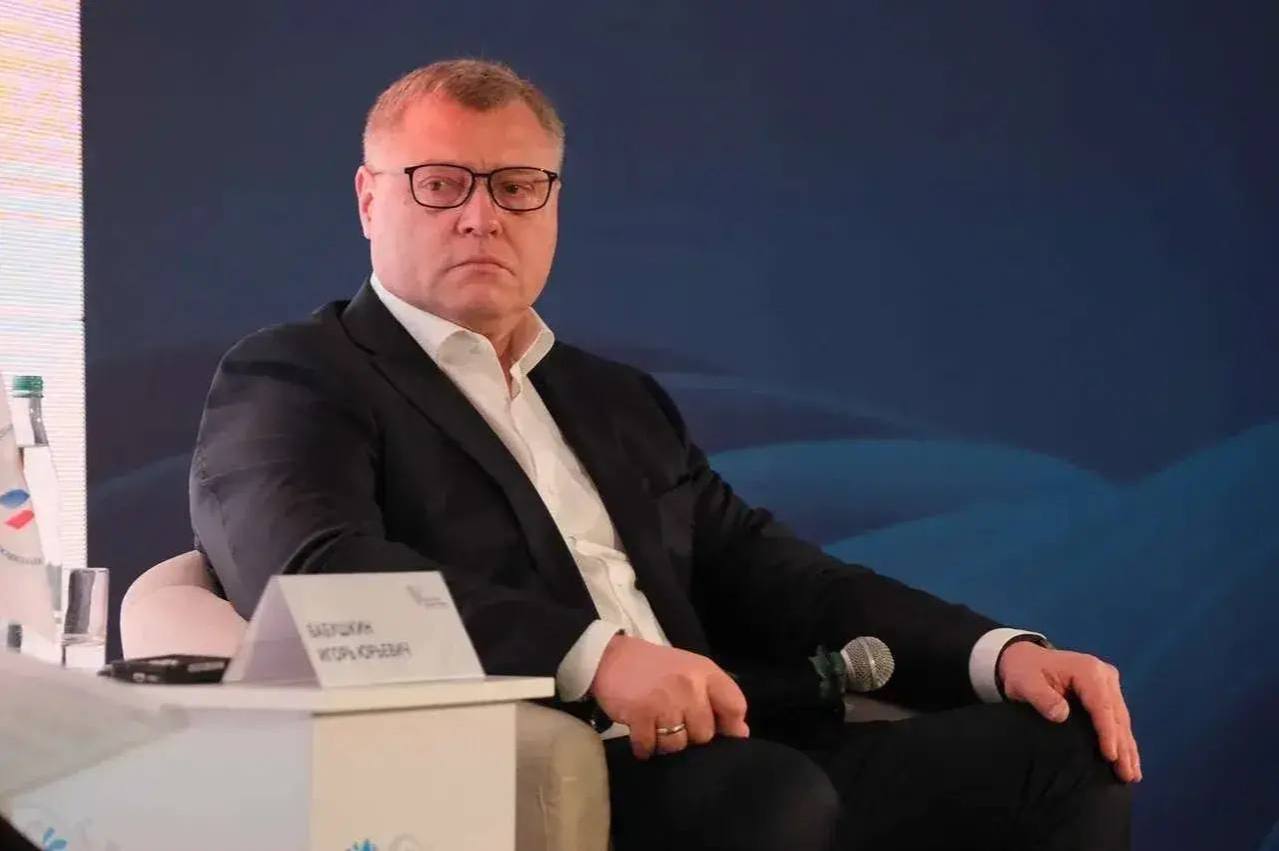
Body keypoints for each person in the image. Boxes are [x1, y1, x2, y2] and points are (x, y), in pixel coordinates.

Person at [190, 59, 1138, 850]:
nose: (481, 217)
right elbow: (313, 574)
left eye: (516, 186)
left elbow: (775, 574)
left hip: (737, 744)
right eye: (440, 184)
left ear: (552, 204)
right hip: (556, 769)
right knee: (770, 798)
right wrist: (594, 657)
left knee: (1061, 751)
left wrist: (993, 653)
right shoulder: (298, 373)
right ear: (369, 200)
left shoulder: (614, 397)